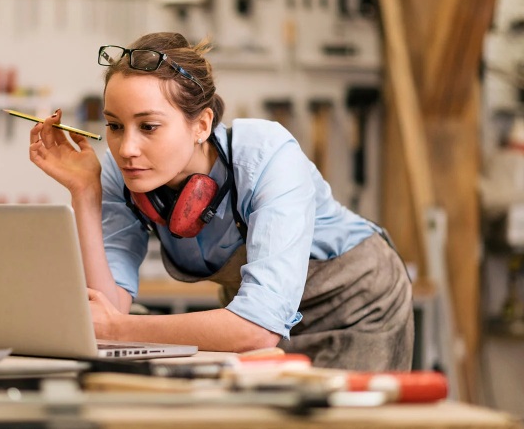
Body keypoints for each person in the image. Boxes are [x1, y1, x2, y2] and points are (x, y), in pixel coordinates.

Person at [28, 32, 413, 371]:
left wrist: (120, 328)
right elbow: (108, 308)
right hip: (250, 324)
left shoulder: (266, 155)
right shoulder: (120, 174)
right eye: (114, 126)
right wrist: (86, 194)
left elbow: (257, 328)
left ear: (202, 124)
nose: (127, 148)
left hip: (355, 305)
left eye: (148, 127)